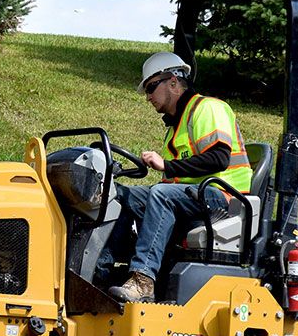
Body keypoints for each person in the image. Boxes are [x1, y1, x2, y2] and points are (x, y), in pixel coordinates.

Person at [104, 52, 253, 303]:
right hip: (193, 196)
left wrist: (167, 166)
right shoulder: (176, 126)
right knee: (118, 194)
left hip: (224, 198)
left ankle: (143, 281)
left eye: (151, 87)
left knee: (161, 195)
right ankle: (103, 270)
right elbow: (176, 182)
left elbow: (219, 159)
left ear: (173, 83)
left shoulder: (209, 108)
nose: (148, 96)